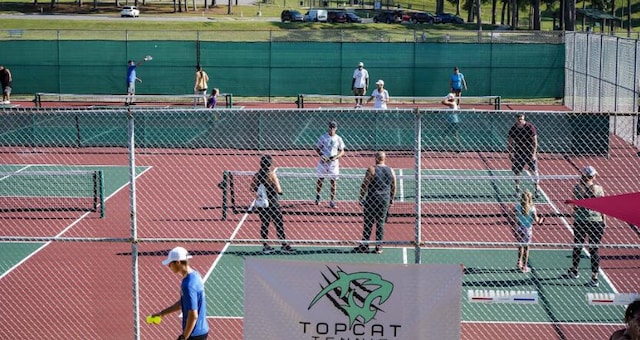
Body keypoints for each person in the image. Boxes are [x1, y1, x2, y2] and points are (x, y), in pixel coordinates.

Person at [152, 246, 209, 340]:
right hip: (200, 331)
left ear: (178, 262)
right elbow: (182, 303)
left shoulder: (188, 284)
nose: (169, 266)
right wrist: (162, 313)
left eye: (170, 263)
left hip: (194, 334)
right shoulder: (195, 275)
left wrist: (184, 337)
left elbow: (193, 315)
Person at [567, 165, 606, 287]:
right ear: (593, 176)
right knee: (594, 250)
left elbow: (575, 206)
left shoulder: (577, 188)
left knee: (578, 246)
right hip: (596, 221)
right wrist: (604, 220)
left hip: (581, 221)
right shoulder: (599, 189)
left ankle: (574, 270)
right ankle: (594, 277)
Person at [250, 154, 295, 254]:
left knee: (264, 224)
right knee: (278, 224)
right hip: (273, 203)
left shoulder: (257, 175)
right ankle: (283, 245)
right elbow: (278, 189)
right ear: (270, 164)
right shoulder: (272, 175)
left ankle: (265, 246)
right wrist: (279, 190)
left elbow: (251, 188)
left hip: (263, 205)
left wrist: (259, 194)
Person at [354, 151, 396, 254]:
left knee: (368, 222)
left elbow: (365, 184)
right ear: (384, 158)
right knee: (380, 223)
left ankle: (365, 245)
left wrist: (361, 197)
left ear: (376, 158)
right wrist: (391, 198)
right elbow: (394, 186)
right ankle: (378, 246)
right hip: (384, 199)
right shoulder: (391, 170)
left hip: (372, 199)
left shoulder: (371, 169)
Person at [315, 121, 346, 209]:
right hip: (323, 162)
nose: (332, 129)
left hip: (333, 163)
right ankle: (318, 195)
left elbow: (342, 151)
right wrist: (322, 156)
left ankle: (332, 201)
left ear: (336, 128)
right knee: (320, 179)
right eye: (330, 127)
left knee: (333, 181)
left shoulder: (338, 138)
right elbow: (317, 148)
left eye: (333, 127)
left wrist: (336, 157)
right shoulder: (323, 137)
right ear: (328, 127)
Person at [507, 113, 539, 197]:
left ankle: (536, 190)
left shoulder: (530, 127)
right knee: (517, 171)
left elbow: (535, 142)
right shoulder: (513, 128)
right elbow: (510, 142)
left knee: (533, 171)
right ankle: (517, 189)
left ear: (524, 118)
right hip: (518, 152)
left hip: (529, 152)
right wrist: (510, 153)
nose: (520, 120)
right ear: (516, 119)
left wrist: (533, 154)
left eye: (521, 119)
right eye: (518, 119)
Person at [514, 190, 544, 273]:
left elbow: (512, 214)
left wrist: (517, 220)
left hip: (519, 228)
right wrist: (541, 219)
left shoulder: (518, 206)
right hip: (528, 230)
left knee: (520, 246)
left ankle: (519, 261)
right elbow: (537, 220)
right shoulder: (532, 208)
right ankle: (524, 266)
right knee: (526, 248)